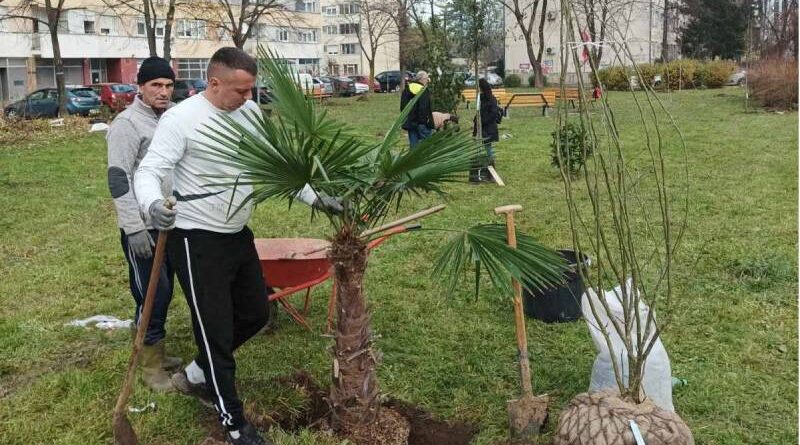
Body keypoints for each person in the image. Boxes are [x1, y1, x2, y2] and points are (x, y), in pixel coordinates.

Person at [134, 47, 273, 445]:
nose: (248, 98)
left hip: (237, 233)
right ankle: (233, 422)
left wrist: (316, 197)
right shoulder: (182, 119)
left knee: (255, 314)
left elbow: (271, 162)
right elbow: (149, 172)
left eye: (252, 90)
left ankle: (196, 374)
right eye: (240, 91)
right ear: (214, 83)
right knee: (215, 331)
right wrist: (152, 204)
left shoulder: (249, 113)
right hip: (195, 238)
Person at [106, 56, 180, 391]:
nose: (164, 92)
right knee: (153, 294)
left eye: (168, 85)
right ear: (141, 87)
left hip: (172, 224)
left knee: (165, 290)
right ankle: (151, 368)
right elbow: (118, 178)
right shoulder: (128, 124)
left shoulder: (174, 118)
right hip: (143, 227)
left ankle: (157, 353)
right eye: (156, 85)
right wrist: (133, 227)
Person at [471, 78, 502, 183]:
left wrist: (482, 121)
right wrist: (476, 122)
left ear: (482, 87)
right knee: (481, 148)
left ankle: (492, 171)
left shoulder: (491, 99)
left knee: (488, 149)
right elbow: (478, 112)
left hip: (489, 128)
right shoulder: (480, 98)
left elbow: (493, 114)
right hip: (481, 128)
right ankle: (480, 170)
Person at [400, 70, 435, 148]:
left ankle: (413, 160)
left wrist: (407, 119)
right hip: (421, 124)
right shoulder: (423, 90)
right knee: (427, 146)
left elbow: (403, 106)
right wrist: (423, 122)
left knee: (413, 146)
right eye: (426, 79)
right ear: (422, 79)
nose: (427, 81)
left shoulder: (408, 88)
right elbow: (424, 107)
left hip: (410, 122)